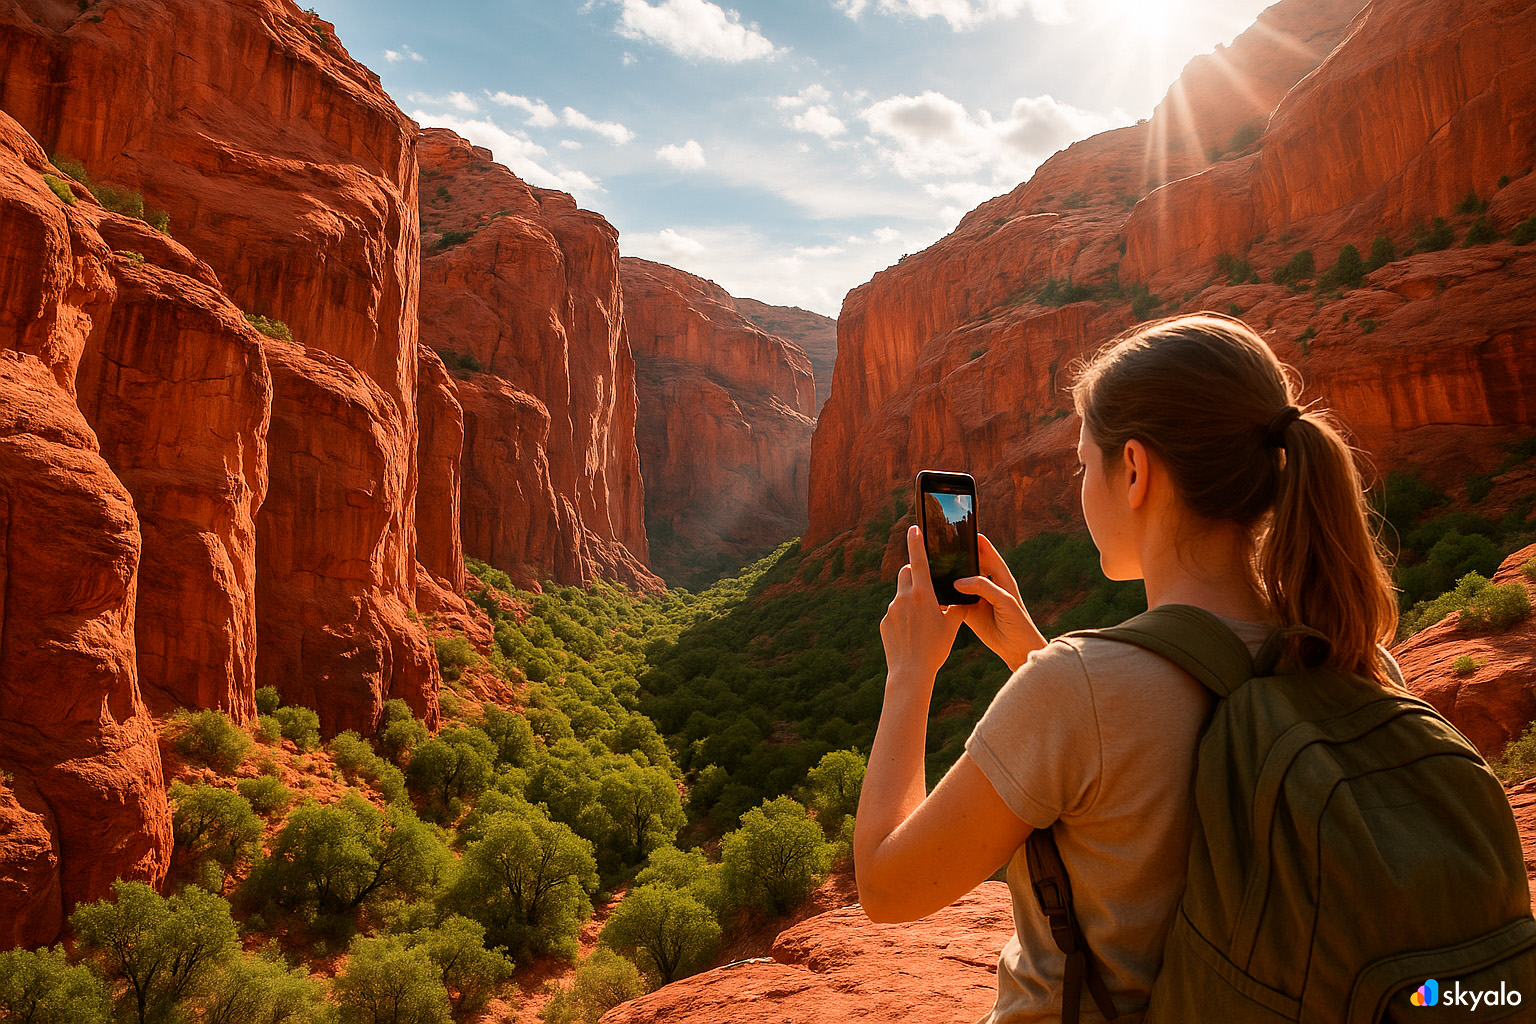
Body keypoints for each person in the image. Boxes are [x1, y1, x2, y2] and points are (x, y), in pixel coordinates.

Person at [853, 312, 1407, 1024]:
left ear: (1137, 470)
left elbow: (887, 887)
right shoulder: (1360, 660)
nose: (1081, 485)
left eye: (1085, 464)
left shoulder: (1075, 693)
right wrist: (1038, 657)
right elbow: (1151, 735)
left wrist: (909, 674)